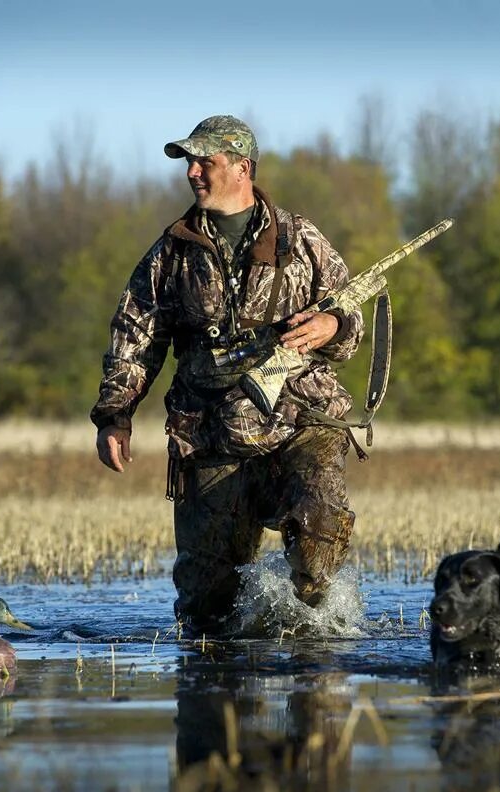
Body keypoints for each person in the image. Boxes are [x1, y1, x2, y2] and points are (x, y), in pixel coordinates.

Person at [91, 115, 364, 633]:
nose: (192, 172)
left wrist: (332, 324)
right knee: (207, 607)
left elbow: (351, 324)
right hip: (209, 434)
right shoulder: (172, 252)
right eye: (189, 163)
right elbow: (136, 335)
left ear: (242, 167)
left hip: (300, 423)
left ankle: (318, 646)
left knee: (318, 530)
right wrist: (114, 416)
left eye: (204, 161)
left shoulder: (302, 239)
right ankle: (229, 684)